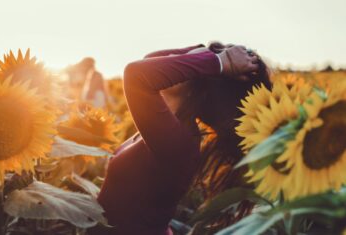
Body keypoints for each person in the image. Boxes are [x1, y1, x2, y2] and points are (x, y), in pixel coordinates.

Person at [97, 42, 272, 235]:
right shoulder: (164, 124)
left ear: (197, 84)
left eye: (200, 59)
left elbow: (136, 73)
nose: (196, 55)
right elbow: (148, 60)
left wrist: (219, 61)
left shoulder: (178, 142)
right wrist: (205, 51)